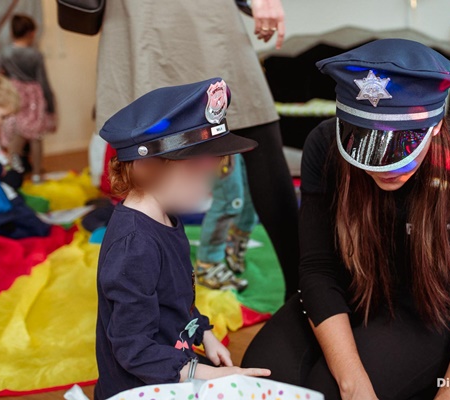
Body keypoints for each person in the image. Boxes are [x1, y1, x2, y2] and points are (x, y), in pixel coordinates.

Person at [242, 39, 450, 400]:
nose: (386, 168)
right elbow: (318, 269)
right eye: (365, 145)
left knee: (326, 393)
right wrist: (353, 381)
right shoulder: (324, 145)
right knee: (255, 388)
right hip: (346, 291)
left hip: (426, 312)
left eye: (403, 147)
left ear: (435, 126)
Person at [95, 0, 299, 299]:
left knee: (255, 124)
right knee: (145, 143)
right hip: (139, 15)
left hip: (201, 13)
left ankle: (304, 293)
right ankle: (154, 304)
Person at [94, 78, 271, 399]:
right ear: (148, 167)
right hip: (139, 388)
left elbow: (176, 299)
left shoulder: (166, 217)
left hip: (171, 365)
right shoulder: (135, 246)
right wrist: (202, 373)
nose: (210, 186)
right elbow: (132, 347)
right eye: (197, 173)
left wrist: (205, 334)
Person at [0, 14, 56, 184]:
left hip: (15, 93)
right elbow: (43, 81)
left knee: (16, 131)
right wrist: (50, 104)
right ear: (31, 33)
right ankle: (36, 174)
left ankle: (14, 168)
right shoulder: (35, 54)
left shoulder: (6, 52)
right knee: (36, 135)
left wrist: (6, 75)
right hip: (33, 96)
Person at [0, 73, 49, 238]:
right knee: (34, 230)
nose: (3, 121)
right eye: (2, 116)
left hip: (0, 194)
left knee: (36, 220)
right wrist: (1, 168)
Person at [196, 153, 257, 291]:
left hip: (244, 135)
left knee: (253, 191)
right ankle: (207, 265)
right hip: (222, 136)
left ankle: (233, 243)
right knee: (230, 200)